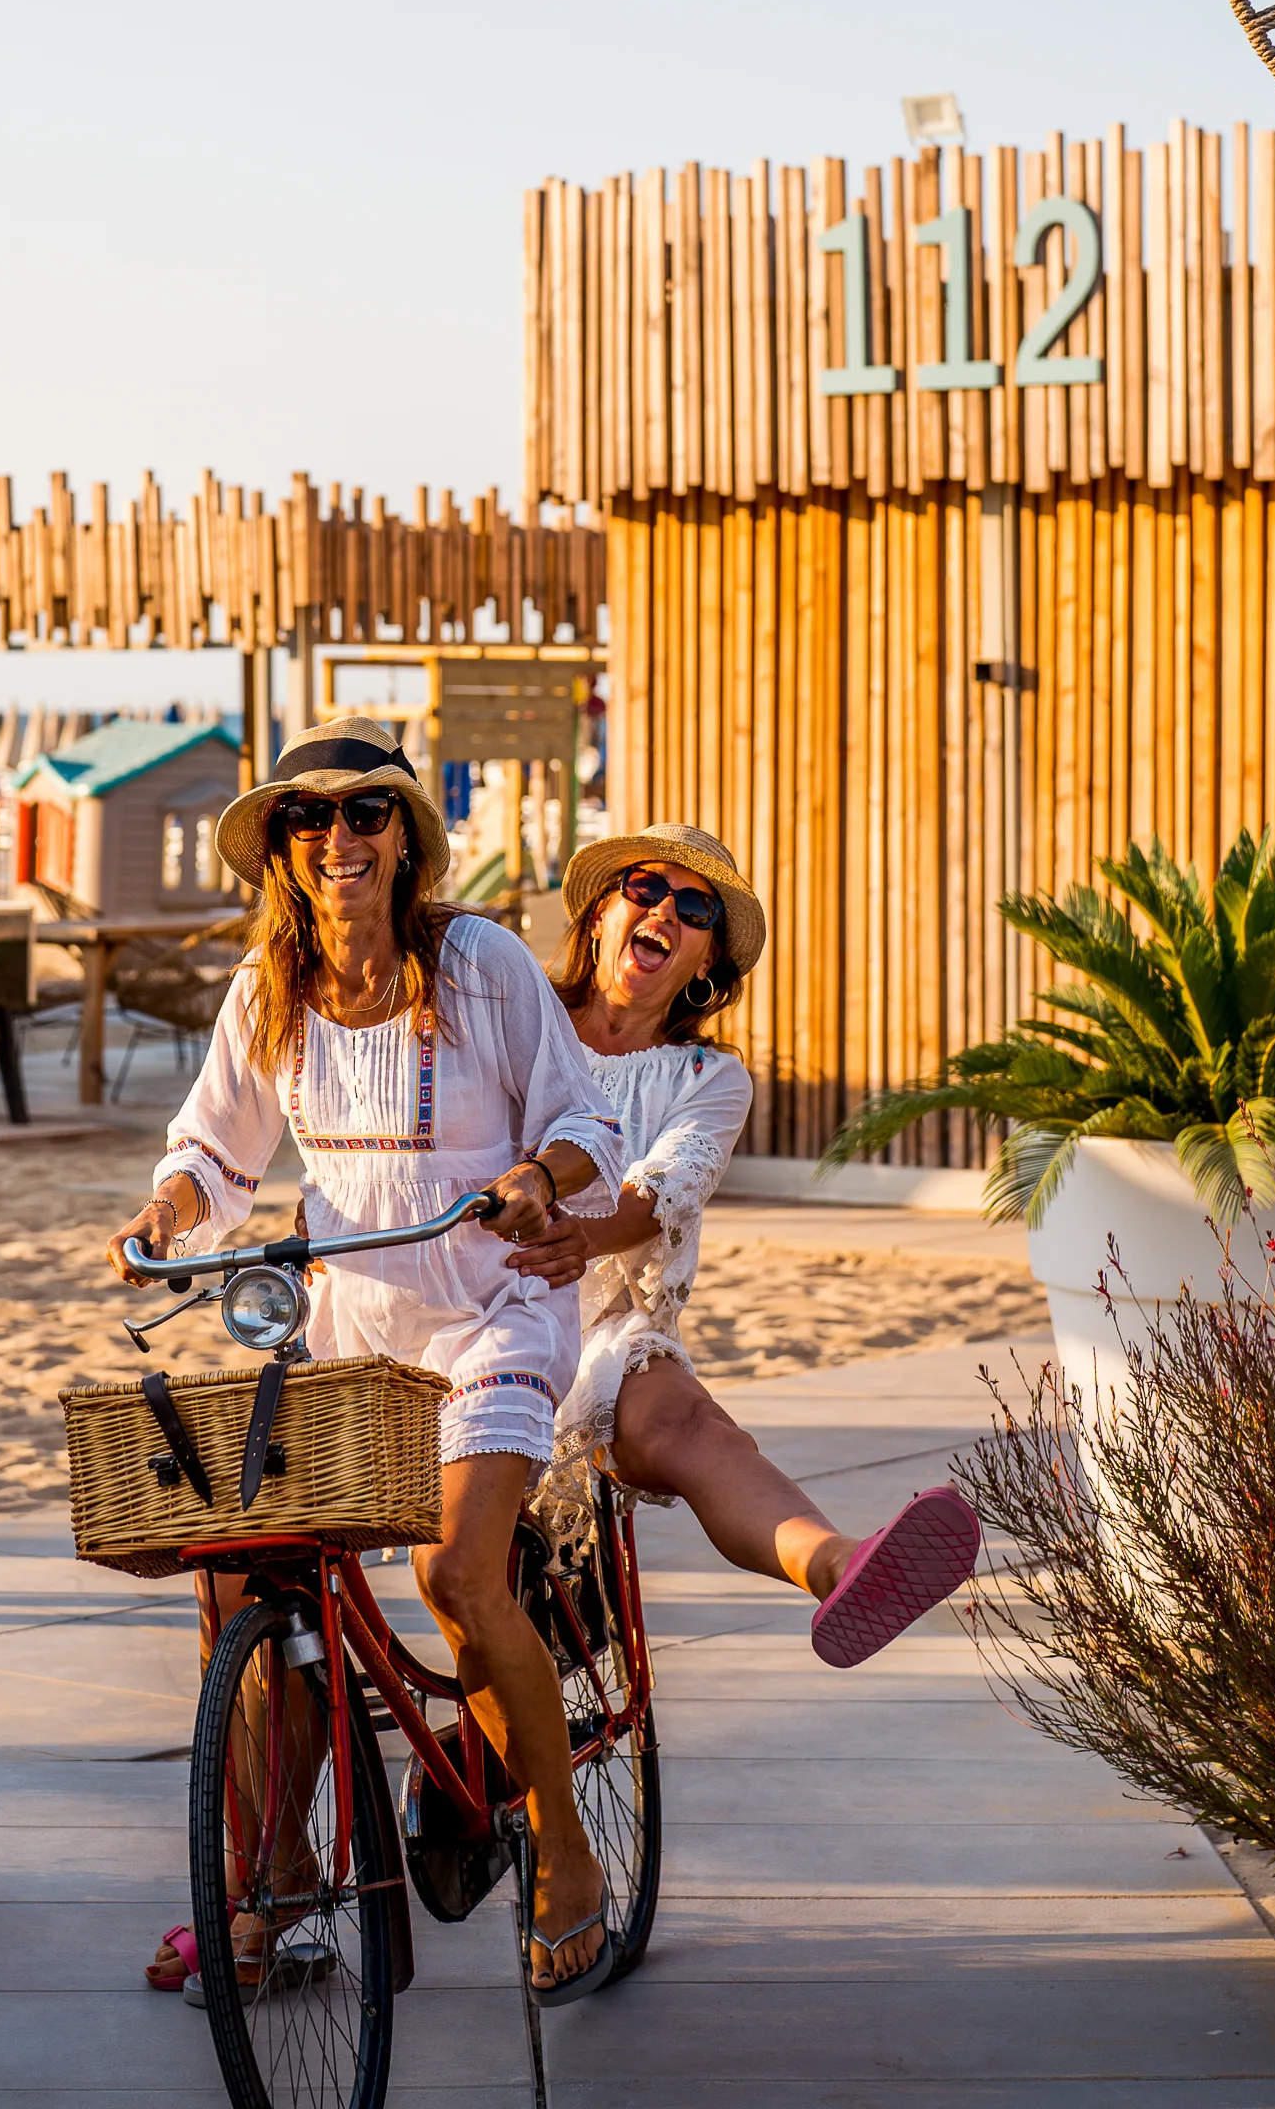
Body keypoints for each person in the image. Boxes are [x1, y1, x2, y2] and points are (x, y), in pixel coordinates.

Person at [110, 717, 627, 2003]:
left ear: (404, 837)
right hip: (348, 1326)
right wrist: (164, 1217)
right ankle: (277, 1873)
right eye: (308, 818)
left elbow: (581, 1122)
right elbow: (213, 1154)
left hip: (494, 1305)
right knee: (243, 1592)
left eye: (365, 813)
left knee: (457, 1568)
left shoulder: (487, 963)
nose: (338, 837)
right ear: (284, 850)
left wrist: (532, 1175)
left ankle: (565, 1854)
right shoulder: (265, 991)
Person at [519, 823, 979, 1668]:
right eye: (645, 889)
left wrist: (573, 1241)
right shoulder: (516, 1021)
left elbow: (657, 1196)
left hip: (602, 1325)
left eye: (694, 910)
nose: (664, 911)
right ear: (595, 916)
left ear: (705, 965)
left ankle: (840, 1564)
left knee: (687, 1422)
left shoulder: (709, 1080)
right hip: (469, 1295)